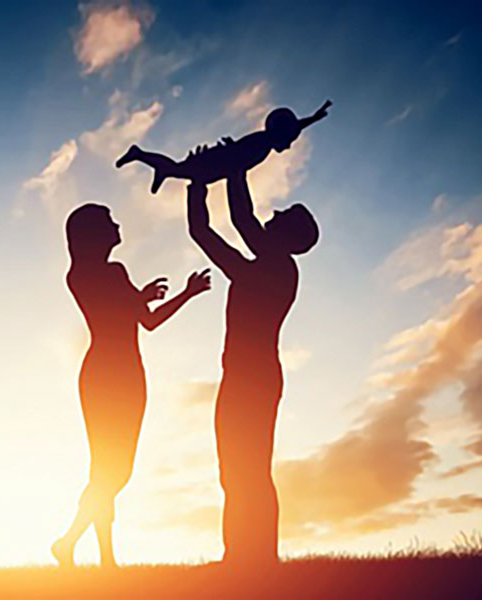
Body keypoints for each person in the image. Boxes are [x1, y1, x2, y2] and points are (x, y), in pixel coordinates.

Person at [52, 203, 211, 568]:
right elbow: (132, 316)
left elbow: (143, 319)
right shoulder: (97, 273)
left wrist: (170, 294)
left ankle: (91, 553)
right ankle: (77, 545)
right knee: (112, 470)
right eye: (109, 221)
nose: (117, 224)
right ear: (92, 234)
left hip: (121, 373)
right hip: (111, 374)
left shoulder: (99, 274)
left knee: (111, 470)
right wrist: (157, 295)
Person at [185, 172, 319, 566]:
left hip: (253, 379)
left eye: (283, 215)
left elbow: (238, 220)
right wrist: (199, 186)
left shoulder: (276, 268)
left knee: (250, 470)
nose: (273, 213)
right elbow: (204, 231)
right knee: (235, 471)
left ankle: (259, 558)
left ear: (289, 237)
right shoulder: (263, 265)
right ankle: (240, 557)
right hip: (244, 377)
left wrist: (236, 169)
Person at [115, 100, 331, 194]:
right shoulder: (262, 142)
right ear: (280, 132)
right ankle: (141, 155)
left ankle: (155, 165)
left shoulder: (264, 142)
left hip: (221, 164)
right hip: (218, 162)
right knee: (183, 171)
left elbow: (293, 127)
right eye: (289, 140)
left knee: (181, 171)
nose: (289, 145)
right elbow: (238, 155)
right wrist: (311, 119)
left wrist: (313, 118)